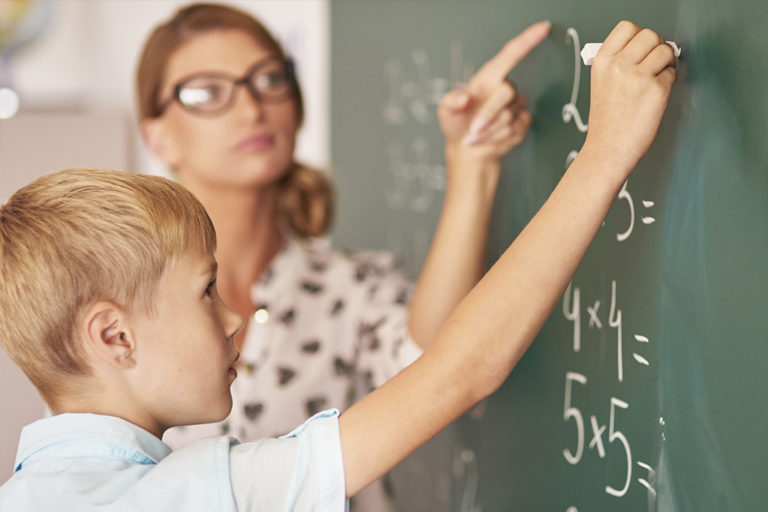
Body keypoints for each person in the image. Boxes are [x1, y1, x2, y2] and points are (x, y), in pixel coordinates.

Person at [0, 20, 676, 511]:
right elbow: (458, 371)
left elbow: (427, 357)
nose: (238, 318)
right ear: (113, 337)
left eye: (270, 79)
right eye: (207, 293)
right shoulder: (198, 489)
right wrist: (606, 152)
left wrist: (472, 170)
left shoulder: (33, 489)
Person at [135, 4, 546, 508]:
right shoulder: (123, 304)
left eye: (268, 79)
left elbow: (441, 370)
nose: (251, 108)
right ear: (156, 134)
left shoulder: (352, 289)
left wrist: (472, 161)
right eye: (206, 92)